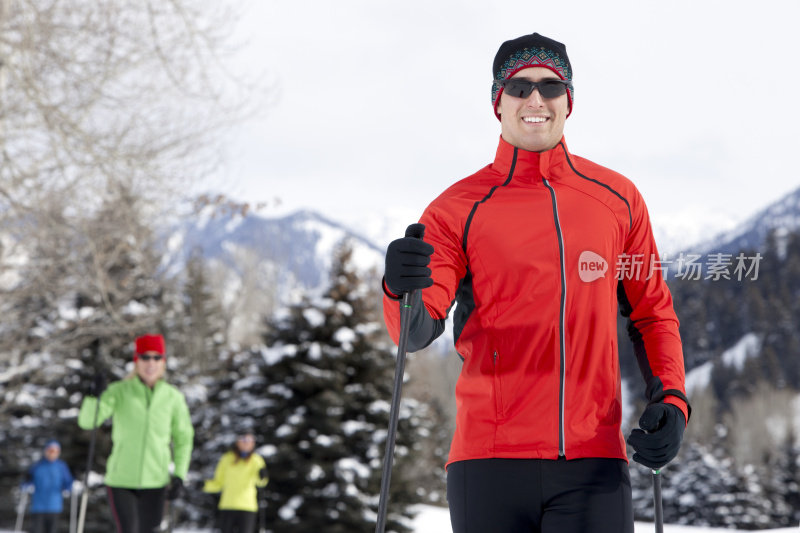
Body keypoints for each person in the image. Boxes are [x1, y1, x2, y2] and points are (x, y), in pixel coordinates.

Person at [382, 32, 690, 533]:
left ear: (569, 101)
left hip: (593, 462)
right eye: (519, 86)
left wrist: (672, 399)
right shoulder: (455, 209)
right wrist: (400, 288)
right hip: (488, 463)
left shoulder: (617, 200)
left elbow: (651, 313)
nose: (535, 99)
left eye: (551, 86)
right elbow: (414, 332)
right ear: (497, 103)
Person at [77, 334, 194, 533]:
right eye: (145, 357)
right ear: (136, 361)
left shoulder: (173, 397)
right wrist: (92, 396)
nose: (151, 363)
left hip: (156, 481)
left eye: (157, 357)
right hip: (121, 480)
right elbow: (88, 421)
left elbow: (183, 438)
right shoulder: (119, 391)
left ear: (163, 362)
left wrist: (180, 476)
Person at [203, 428, 268, 533]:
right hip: (228, 505)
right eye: (243, 440)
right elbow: (218, 483)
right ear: (237, 441)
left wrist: (263, 476)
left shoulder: (256, 460)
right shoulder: (227, 459)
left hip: (247, 507)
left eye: (249, 440)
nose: (246, 443)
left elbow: (261, 483)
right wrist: (204, 485)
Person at [22, 440, 74, 533]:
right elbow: (27, 480)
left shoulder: (61, 466)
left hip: (54, 506)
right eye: (50, 451)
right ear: (45, 451)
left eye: (55, 451)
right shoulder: (37, 466)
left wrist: (70, 488)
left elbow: (68, 482)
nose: (52, 454)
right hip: (38, 506)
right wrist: (27, 486)